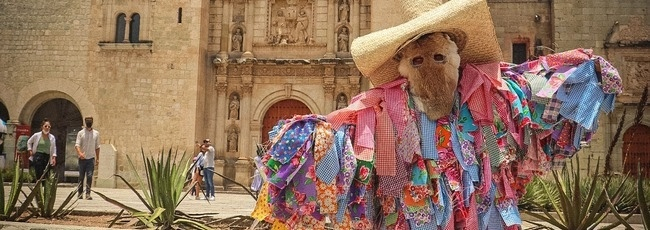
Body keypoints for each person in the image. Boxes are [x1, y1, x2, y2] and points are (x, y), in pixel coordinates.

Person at [75, 117, 100, 200]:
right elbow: (77, 145)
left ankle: (88, 194)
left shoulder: (96, 133)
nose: (89, 122)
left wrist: (97, 158)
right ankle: (80, 193)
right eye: (87, 121)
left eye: (90, 121)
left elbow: (97, 147)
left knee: (89, 176)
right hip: (82, 158)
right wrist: (80, 153)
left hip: (91, 158)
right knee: (81, 176)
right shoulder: (80, 133)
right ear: (85, 122)